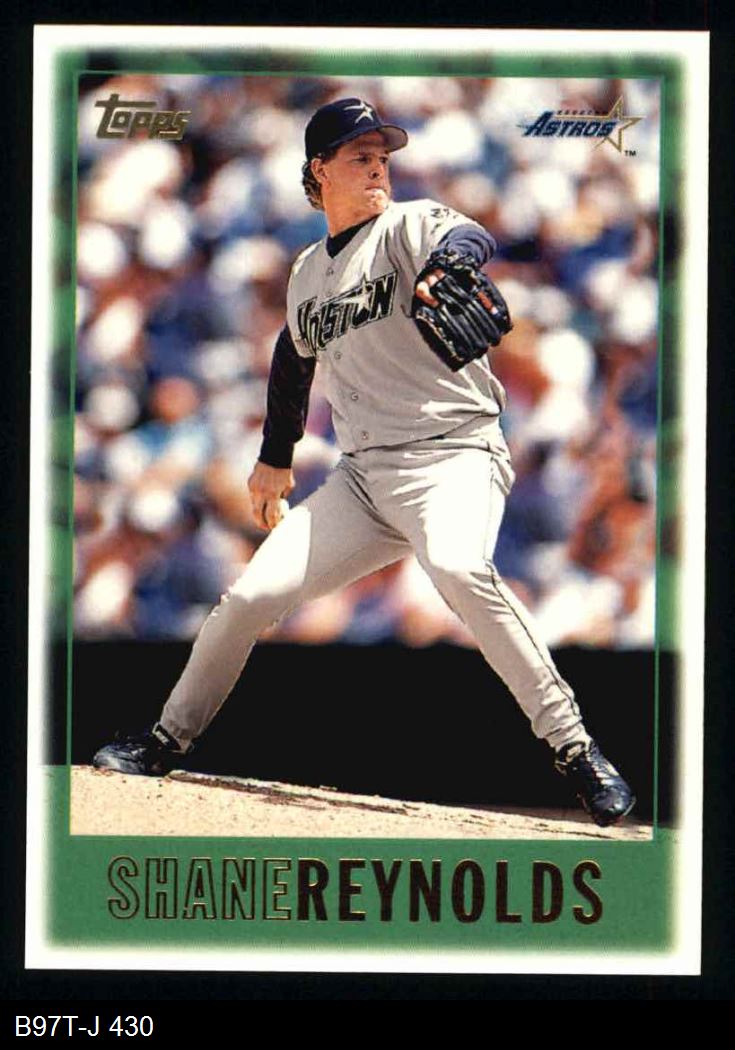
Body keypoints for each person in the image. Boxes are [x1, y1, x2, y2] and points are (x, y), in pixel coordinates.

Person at [93, 97, 635, 827]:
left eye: (382, 156)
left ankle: (575, 749)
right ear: (320, 171)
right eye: (360, 157)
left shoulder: (409, 225)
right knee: (247, 600)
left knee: (458, 568)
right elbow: (292, 359)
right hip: (363, 480)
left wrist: (450, 263)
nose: (378, 167)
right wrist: (274, 458)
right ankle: (166, 739)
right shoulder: (306, 272)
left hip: (453, 455)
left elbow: (467, 236)